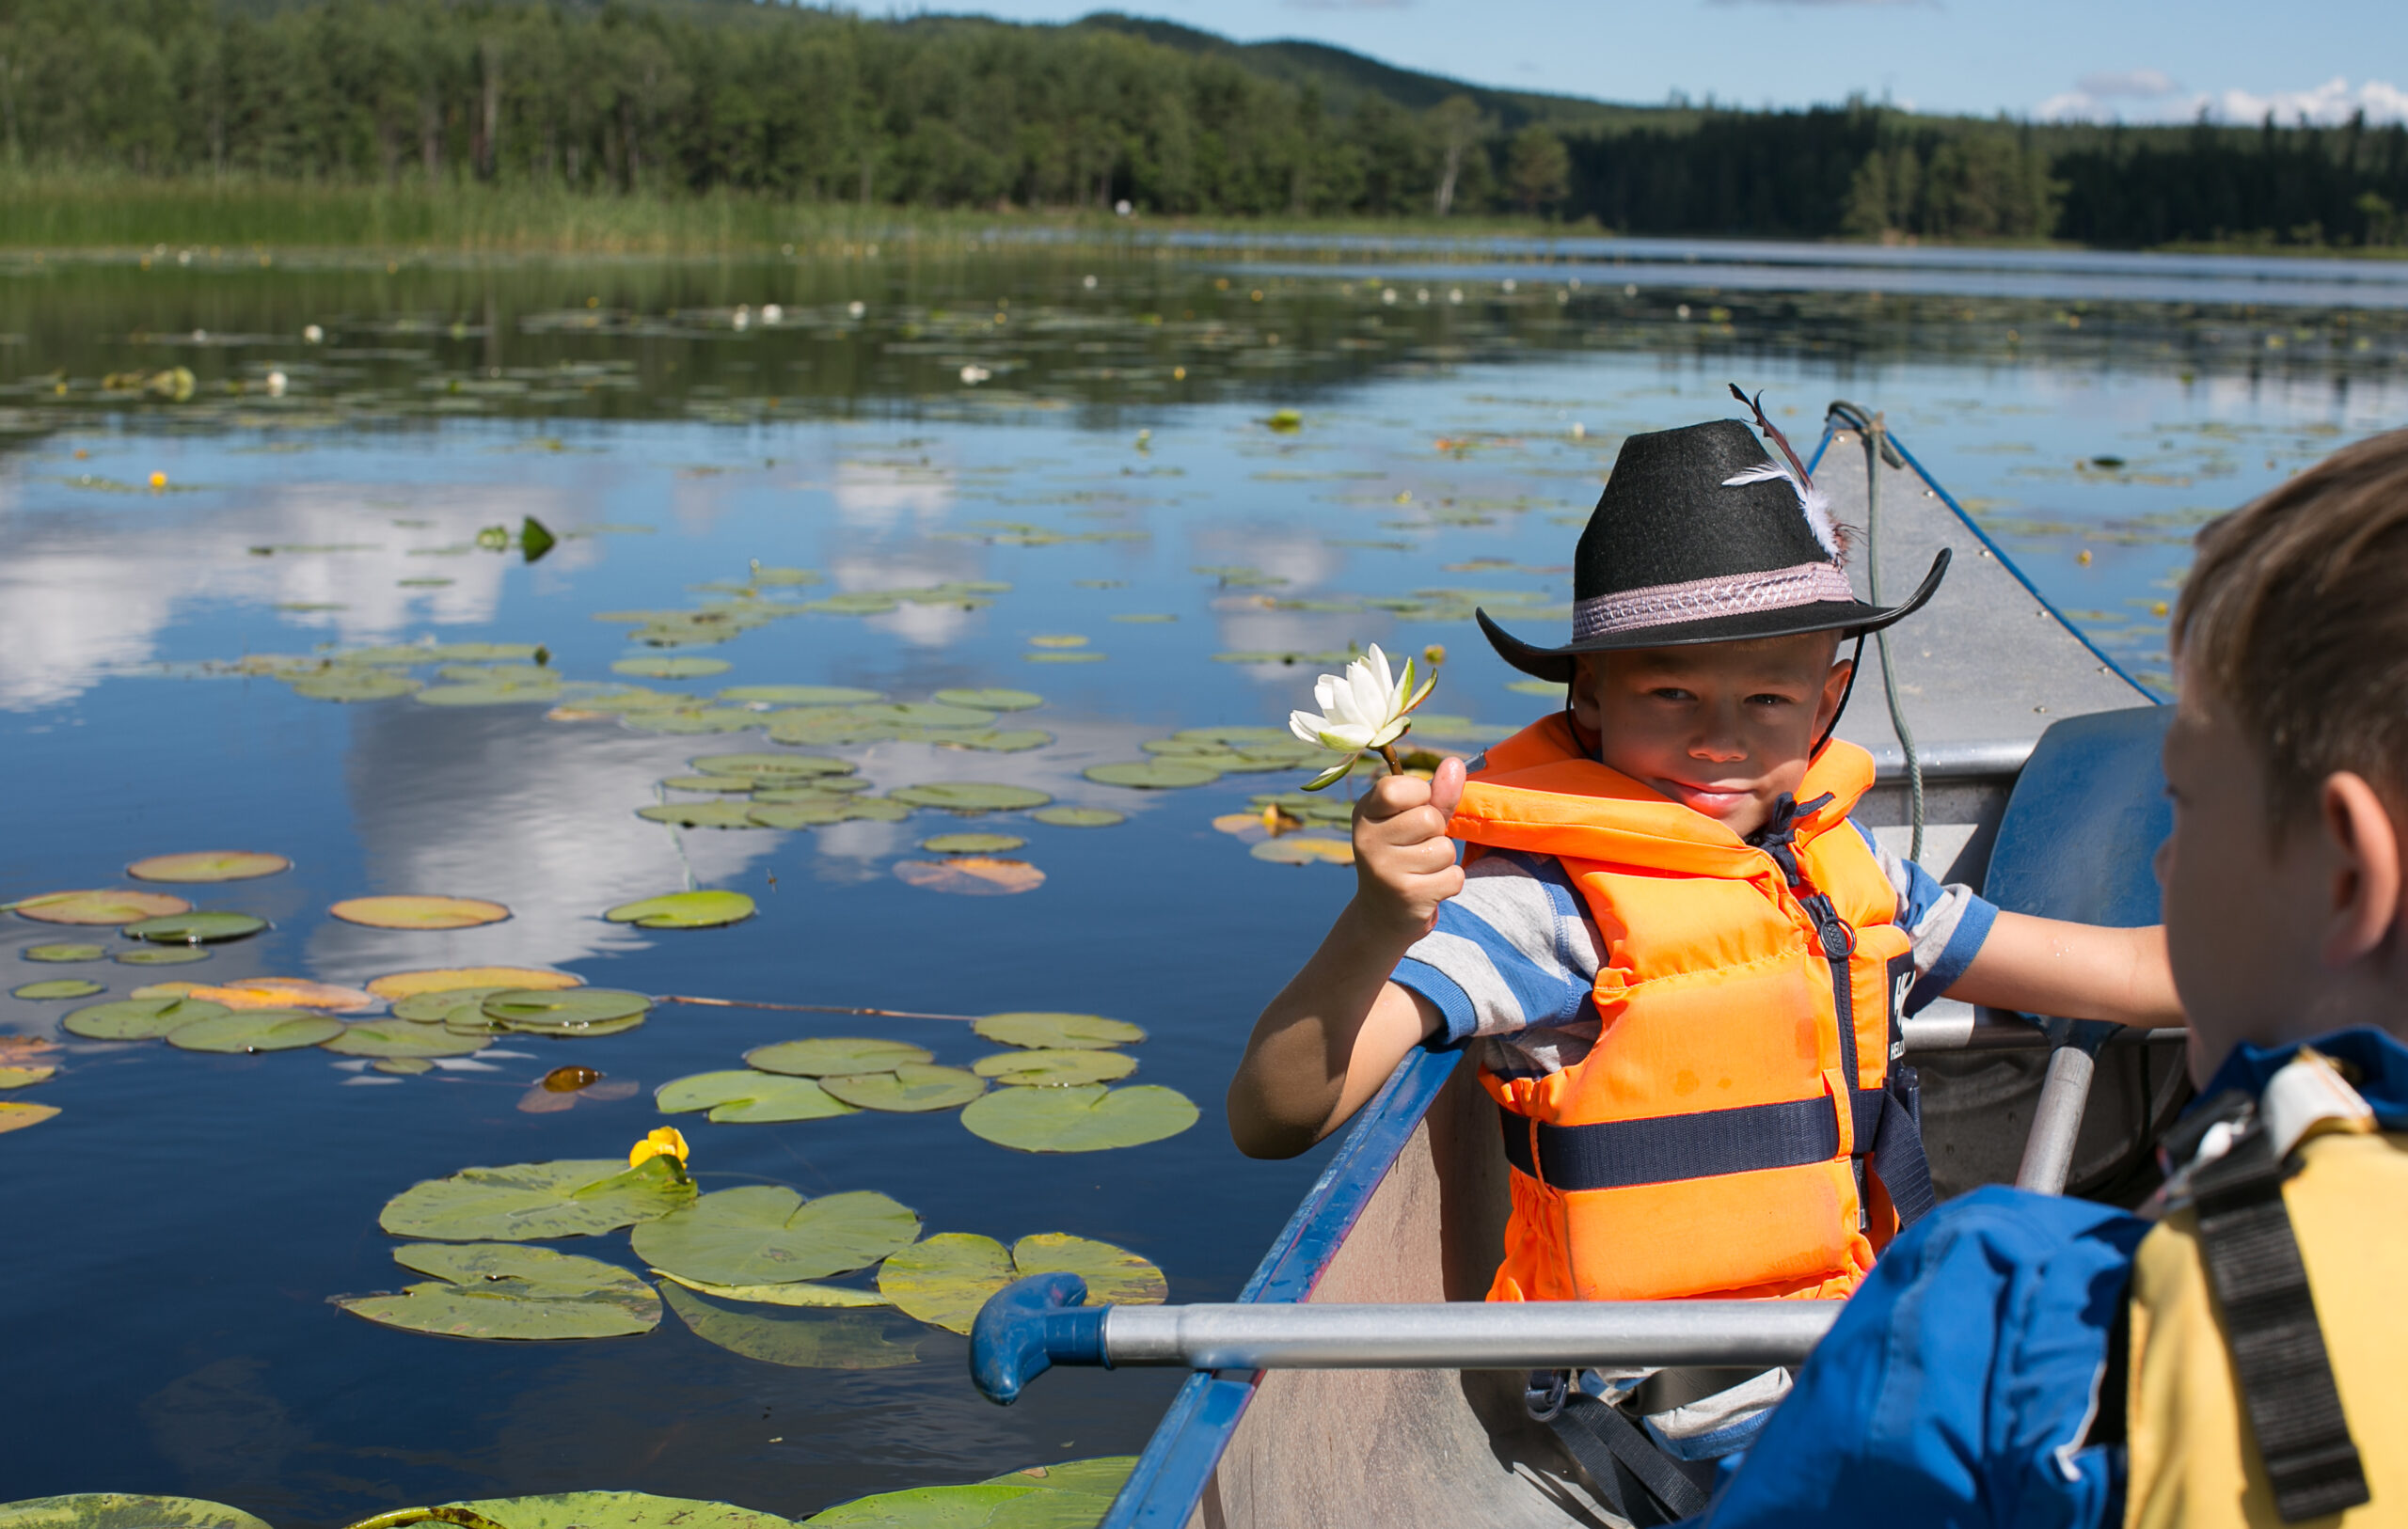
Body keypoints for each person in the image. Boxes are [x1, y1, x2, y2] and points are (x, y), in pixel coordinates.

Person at [1226, 401, 2182, 1503]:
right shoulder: (1541, 908)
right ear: (1588, 695)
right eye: (1670, 691)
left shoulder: (1843, 874)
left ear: (1827, 701)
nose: (1718, 740)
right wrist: (1379, 923)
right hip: (1679, 1423)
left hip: (1853, 1352)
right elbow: (1274, 1116)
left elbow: (2128, 975)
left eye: (1768, 698)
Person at [1694, 427, 2408, 1527]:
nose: (2162, 862)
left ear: (2344, 874)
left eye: (2182, 804)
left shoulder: (1998, 1311)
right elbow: (2140, 967)